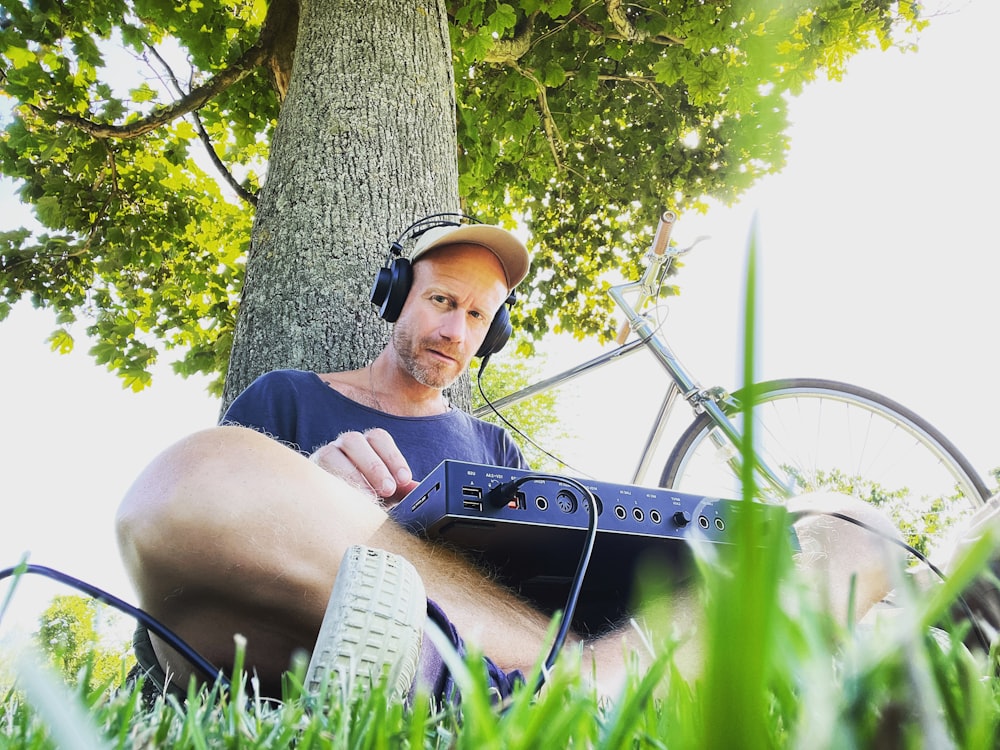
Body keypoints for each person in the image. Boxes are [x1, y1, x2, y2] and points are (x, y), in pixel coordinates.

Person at [115, 219, 905, 705]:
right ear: (397, 297)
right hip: (300, 631)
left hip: (514, 651)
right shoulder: (288, 394)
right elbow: (193, 562)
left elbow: (535, 587)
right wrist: (317, 487)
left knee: (855, 532)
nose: (457, 331)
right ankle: (601, 689)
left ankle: (571, 689)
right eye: (440, 301)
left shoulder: (494, 449)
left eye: (477, 317)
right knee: (199, 476)